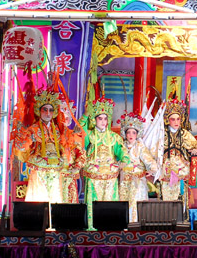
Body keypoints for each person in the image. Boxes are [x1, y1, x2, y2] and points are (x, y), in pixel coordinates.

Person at [11, 86, 86, 204]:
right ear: (39, 111)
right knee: (39, 202)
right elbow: (22, 148)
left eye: (50, 110)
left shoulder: (59, 130)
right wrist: (24, 135)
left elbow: (71, 145)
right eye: (44, 109)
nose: (47, 113)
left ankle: (54, 222)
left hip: (55, 170)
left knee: (56, 201)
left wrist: (76, 135)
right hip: (40, 169)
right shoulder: (33, 129)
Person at [82, 97, 129, 229]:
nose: (103, 122)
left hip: (110, 176)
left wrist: (123, 161)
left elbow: (123, 153)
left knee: (109, 203)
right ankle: (92, 228)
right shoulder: (90, 135)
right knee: (93, 203)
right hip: (93, 176)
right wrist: (85, 115)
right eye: (100, 118)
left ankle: (110, 228)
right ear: (95, 120)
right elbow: (79, 136)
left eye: (105, 118)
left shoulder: (114, 137)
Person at [159, 98, 197, 211]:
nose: (176, 122)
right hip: (165, 171)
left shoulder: (184, 134)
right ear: (168, 120)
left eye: (178, 119)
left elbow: (196, 147)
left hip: (181, 172)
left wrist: (195, 151)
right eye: (173, 119)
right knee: (165, 199)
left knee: (180, 199)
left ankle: (181, 223)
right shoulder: (161, 134)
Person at [117, 111, 159, 224]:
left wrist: (152, 169)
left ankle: (135, 227)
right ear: (125, 134)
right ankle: (123, 227)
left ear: (137, 134)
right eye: (128, 132)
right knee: (123, 203)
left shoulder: (140, 147)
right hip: (123, 181)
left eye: (133, 133)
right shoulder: (120, 146)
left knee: (135, 205)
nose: (131, 135)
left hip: (137, 182)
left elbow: (149, 161)